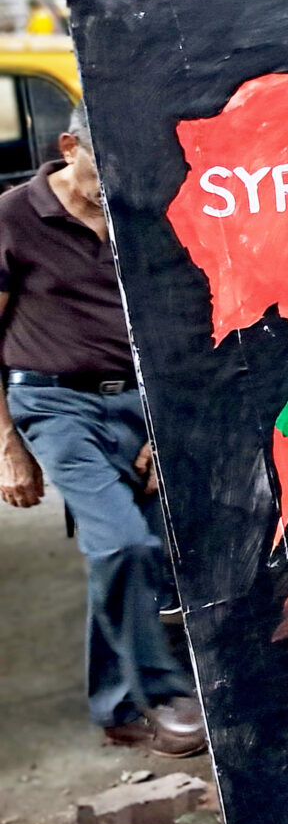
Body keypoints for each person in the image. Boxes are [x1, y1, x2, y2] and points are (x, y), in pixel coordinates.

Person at [0, 110, 204, 756]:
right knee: (122, 545)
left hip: (140, 406)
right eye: (102, 163)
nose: (115, 180)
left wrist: (160, 427)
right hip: (55, 403)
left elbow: (172, 324)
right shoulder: (14, 216)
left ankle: (118, 710)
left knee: (126, 552)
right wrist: (8, 449)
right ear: (68, 147)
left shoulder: (138, 215)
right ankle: (161, 694)